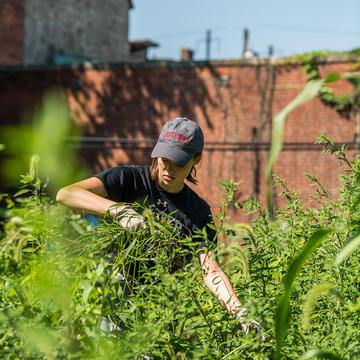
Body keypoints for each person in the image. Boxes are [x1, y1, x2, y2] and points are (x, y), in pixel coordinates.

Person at [56, 117, 263, 338]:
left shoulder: (198, 212)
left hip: (155, 318)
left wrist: (239, 311)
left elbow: (211, 271)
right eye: (165, 159)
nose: (169, 168)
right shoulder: (130, 179)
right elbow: (66, 194)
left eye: (179, 162)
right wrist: (119, 211)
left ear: (196, 160)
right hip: (106, 305)